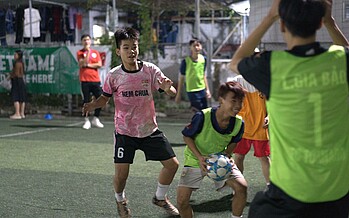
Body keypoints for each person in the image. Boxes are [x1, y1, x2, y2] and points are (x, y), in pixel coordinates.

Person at [230, 0, 349, 217]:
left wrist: (269, 18)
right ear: (320, 24)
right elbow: (345, 49)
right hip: (337, 190)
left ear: (283, 25)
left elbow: (236, 60)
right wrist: (331, 22)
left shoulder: (274, 65)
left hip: (290, 191)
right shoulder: (339, 61)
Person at [82, 27, 180, 218]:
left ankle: (160, 197)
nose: (131, 51)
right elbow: (105, 98)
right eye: (126, 47)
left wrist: (169, 88)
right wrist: (93, 105)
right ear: (118, 51)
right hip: (125, 131)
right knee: (121, 175)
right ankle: (120, 200)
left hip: (149, 129)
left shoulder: (150, 70)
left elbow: (171, 91)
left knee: (172, 165)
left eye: (134, 47)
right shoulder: (114, 75)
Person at [177, 81, 248, 218]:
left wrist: (227, 155)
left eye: (240, 101)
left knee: (242, 187)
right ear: (221, 99)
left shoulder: (239, 123)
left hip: (220, 159)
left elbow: (234, 141)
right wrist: (199, 157)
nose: (238, 106)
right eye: (233, 101)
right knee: (182, 201)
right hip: (196, 160)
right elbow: (187, 136)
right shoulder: (203, 116)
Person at [232, 75, 271, 186]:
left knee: (264, 157)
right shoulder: (237, 80)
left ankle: (271, 186)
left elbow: (272, 103)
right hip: (242, 126)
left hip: (260, 126)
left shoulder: (264, 80)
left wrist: (269, 116)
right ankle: (238, 184)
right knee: (239, 156)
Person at [175, 38, 211, 112]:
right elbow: (181, 78)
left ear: (201, 47)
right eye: (194, 46)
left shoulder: (203, 59)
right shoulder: (185, 62)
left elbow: (203, 75)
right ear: (190, 47)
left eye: (198, 45)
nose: (196, 48)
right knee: (198, 110)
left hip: (202, 89)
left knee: (205, 111)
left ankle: (199, 123)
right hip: (192, 90)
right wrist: (179, 94)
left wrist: (207, 90)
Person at [77, 34, 104, 129]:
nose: (86, 42)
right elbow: (82, 63)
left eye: (88, 40)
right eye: (84, 40)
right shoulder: (80, 52)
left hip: (95, 79)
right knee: (86, 101)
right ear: (82, 42)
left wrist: (88, 65)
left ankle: (96, 118)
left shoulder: (95, 52)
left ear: (90, 41)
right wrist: (87, 53)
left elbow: (99, 64)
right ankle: (86, 120)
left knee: (101, 98)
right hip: (85, 80)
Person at [9, 50, 27, 120]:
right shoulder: (22, 63)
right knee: (22, 97)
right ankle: (22, 113)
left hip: (17, 80)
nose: (14, 56)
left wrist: (10, 77)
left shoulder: (17, 63)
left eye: (15, 54)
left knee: (16, 97)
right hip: (21, 80)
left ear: (18, 56)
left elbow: (16, 74)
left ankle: (17, 113)